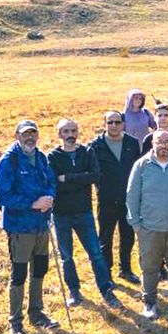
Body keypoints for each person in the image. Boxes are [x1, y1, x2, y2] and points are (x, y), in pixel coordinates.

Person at [47, 119, 122, 309]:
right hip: (61, 214)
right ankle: (74, 291)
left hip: (84, 212)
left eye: (73, 130)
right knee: (67, 257)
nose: (70, 134)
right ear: (59, 134)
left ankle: (106, 291)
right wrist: (80, 179)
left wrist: (69, 178)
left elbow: (95, 176)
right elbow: (54, 184)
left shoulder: (87, 152)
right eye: (66, 131)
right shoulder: (53, 157)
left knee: (96, 254)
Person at [0, 120, 60, 334]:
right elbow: (3, 196)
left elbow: (51, 181)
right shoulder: (8, 161)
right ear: (17, 135)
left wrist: (49, 197)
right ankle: (16, 322)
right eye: (25, 134)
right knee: (20, 273)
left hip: (41, 225)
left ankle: (37, 312)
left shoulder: (41, 157)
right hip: (20, 227)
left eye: (33, 133)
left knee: (40, 269)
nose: (29, 137)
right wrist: (33, 204)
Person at [126, 131, 168, 319]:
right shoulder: (141, 165)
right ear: (152, 144)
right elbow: (132, 195)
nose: (163, 145)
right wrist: (136, 224)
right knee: (149, 267)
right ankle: (149, 301)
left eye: (167, 141)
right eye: (159, 141)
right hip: (149, 228)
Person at [90, 111, 142, 284]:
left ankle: (125, 269)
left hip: (128, 198)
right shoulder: (95, 146)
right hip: (106, 199)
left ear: (123, 124)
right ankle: (107, 273)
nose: (113, 125)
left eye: (117, 122)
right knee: (105, 237)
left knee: (127, 235)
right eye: (110, 122)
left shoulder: (132, 143)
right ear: (104, 124)